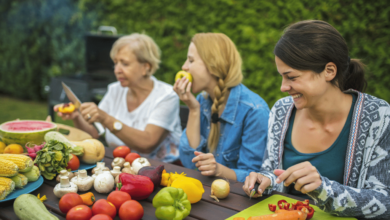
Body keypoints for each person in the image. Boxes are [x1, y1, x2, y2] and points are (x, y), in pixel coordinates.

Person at [242, 20, 390, 219]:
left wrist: (324, 189)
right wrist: (264, 180)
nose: (283, 87)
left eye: (292, 77)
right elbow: (274, 172)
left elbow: (385, 201)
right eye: (282, 77)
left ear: (329, 71)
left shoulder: (378, 117)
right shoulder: (282, 111)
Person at [55, 33, 182, 163]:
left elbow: (147, 143)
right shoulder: (115, 90)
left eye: (125, 64)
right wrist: (77, 117)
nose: (117, 70)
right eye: (115, 63)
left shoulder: (167, 96)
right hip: (119, 165)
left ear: (146, 67)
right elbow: (94, 133)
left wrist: (106, 118)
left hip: (161, 170)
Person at [174, 33, 269, 183]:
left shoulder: (254, 111)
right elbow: (188, 163)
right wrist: (193, 109)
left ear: (213, 65)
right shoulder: (202, 101)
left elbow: (254, 176)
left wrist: (219, 170)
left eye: (191, 60)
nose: (184, 67)